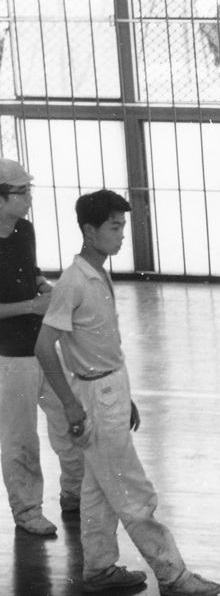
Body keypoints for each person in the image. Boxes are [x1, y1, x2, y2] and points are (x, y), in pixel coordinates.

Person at [34, 189, 220, 595]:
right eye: (114, 227)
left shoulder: (98, 273)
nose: (121, 236)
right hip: (95, 397)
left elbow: (99, 346)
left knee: (98, 490)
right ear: (90, 231)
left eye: (122, 227)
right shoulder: (73, 282)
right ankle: (173, 575)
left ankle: (99, 569)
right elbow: (44, 346)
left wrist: (123, 395)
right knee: (133, 492)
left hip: (108, 389)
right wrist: (71, 404)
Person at [0, 159, 83, 536]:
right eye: (22, 191)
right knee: (20, 437)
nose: (29, 197)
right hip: (9, 357)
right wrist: (31, 307)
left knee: (69, 416)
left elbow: (30, 272)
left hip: (41, 344)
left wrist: (42, 287)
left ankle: (74, 492)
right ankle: (27, 509)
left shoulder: (25, 230)